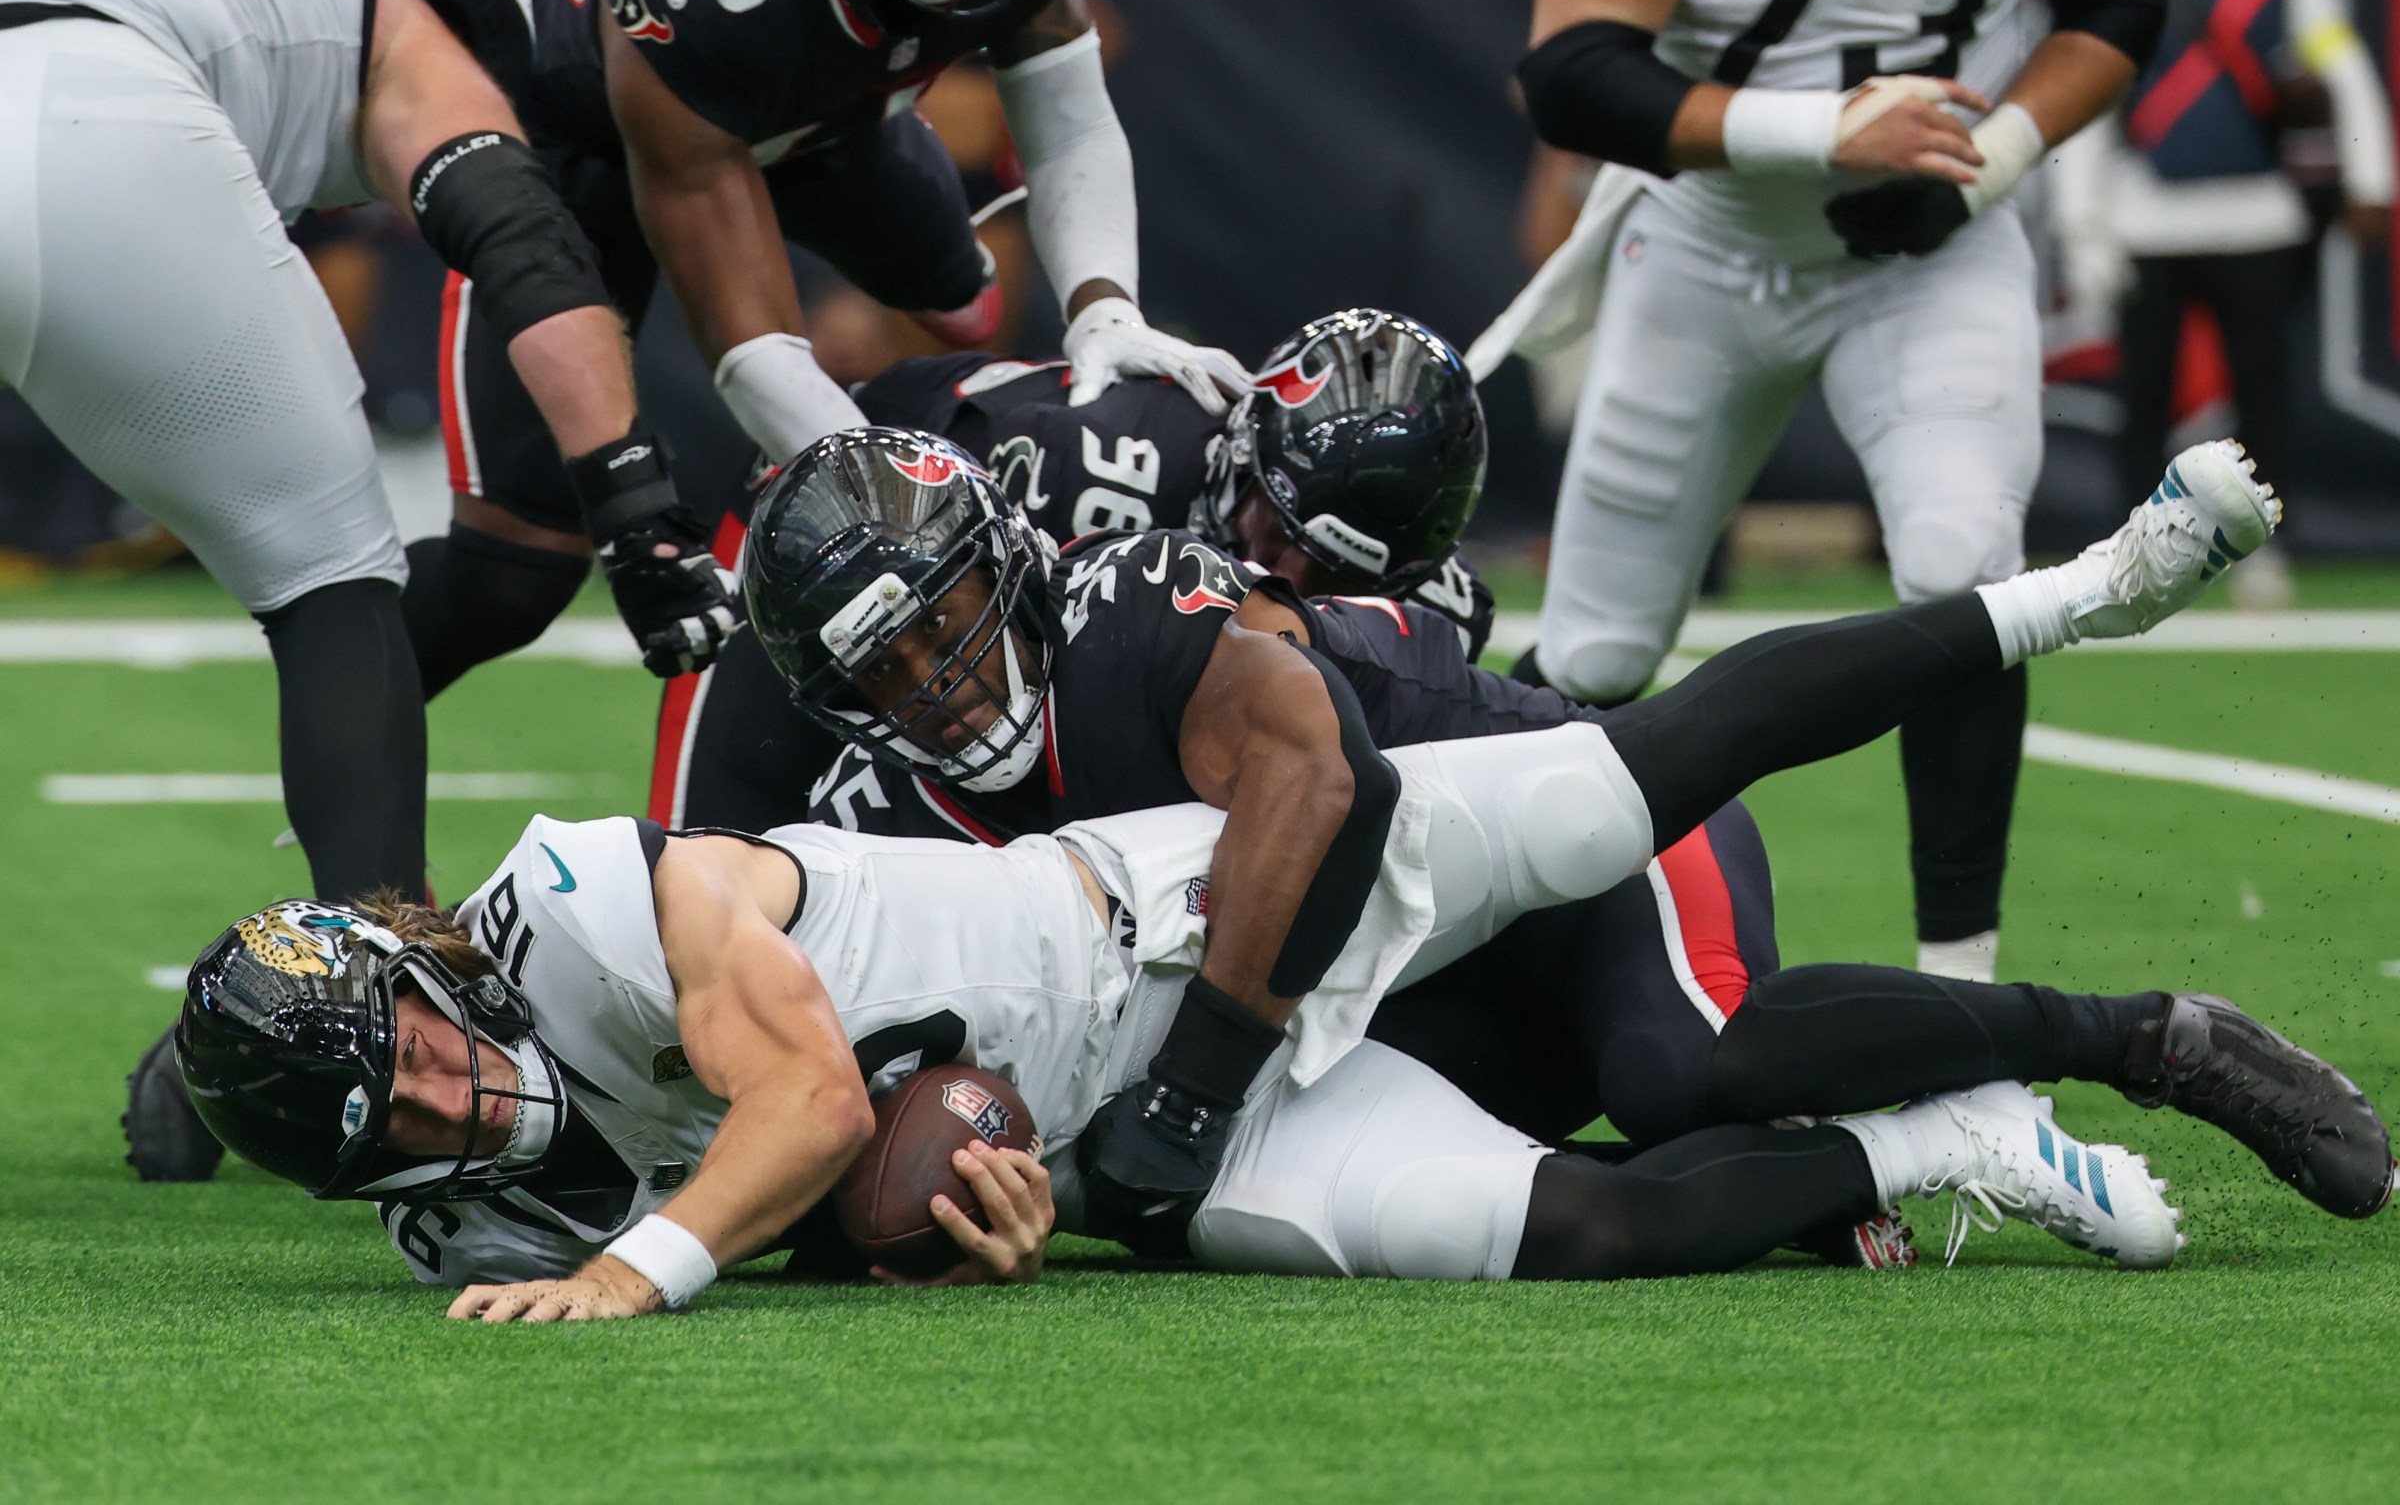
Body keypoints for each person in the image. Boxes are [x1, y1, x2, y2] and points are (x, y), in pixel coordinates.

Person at [746, 425, 2303, 1241]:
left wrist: (1200, 1080)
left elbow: (1322, 795)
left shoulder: (1129, 607)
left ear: (999, 560)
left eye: (936, 622)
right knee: (1531, 1197)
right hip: (1358, 993)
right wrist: (974, 1196)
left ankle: (2135, 1027)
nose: (933, 683)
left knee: (1692, 1066)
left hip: (1522, 845)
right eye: (876, 670)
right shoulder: (877, 807)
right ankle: (1909, 1152)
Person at [176, 747, 2388, 1317]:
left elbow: (802, 1095)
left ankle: (2122, 1004)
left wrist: (652, 1263)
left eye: (442, 1045)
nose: (473, 1090)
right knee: (1571, 1226)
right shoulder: (451, 1213)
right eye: (420, 1115)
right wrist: (955, 1221)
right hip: (1151, 1117)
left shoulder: (573, 893)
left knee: (1660, 928)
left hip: (1198, 905)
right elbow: (844, 1179)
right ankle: (1951, 1139)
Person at [0, 0, 731, 1178]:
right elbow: (515, 235)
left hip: (73, 85)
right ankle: (373, 1026)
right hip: (93, 120)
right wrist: (635, 502)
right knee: (335, 578)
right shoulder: (403, 3)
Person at [1489, 0, 2172, 987]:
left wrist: (1983, 167)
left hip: (1929, 253)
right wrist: (1823, 128)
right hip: (1703, 243)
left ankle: (1962, 995)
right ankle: (1481, 955)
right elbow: (1572, 77)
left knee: (1961, 564)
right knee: (1595, 654)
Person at [407, 0, 1246, 700]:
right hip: (591, 142)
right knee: (515, 572)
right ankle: (350, 723)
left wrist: (1106, 309)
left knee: (963, 300)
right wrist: (908, 517)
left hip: (827, 124)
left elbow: (1064, 114)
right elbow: (753, 348)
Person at [650, 308, 1494, 832]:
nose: (1273, 567)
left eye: (1324, 572)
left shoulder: (1435, 608)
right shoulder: (1089, 472)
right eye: (1272, 525)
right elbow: (937, 578)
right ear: (1241, 447)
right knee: (714, 860)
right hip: (838, 536)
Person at [2049, 0, 2393, 608]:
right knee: (2142, 394)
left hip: (2257, 220)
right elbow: (2086, 105)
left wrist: (2371, 182)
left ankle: (2266, 549)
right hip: (2146, 221)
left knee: (2262, 391)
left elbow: (2345, 73)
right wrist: (2081, 228)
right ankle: (2130, 553)